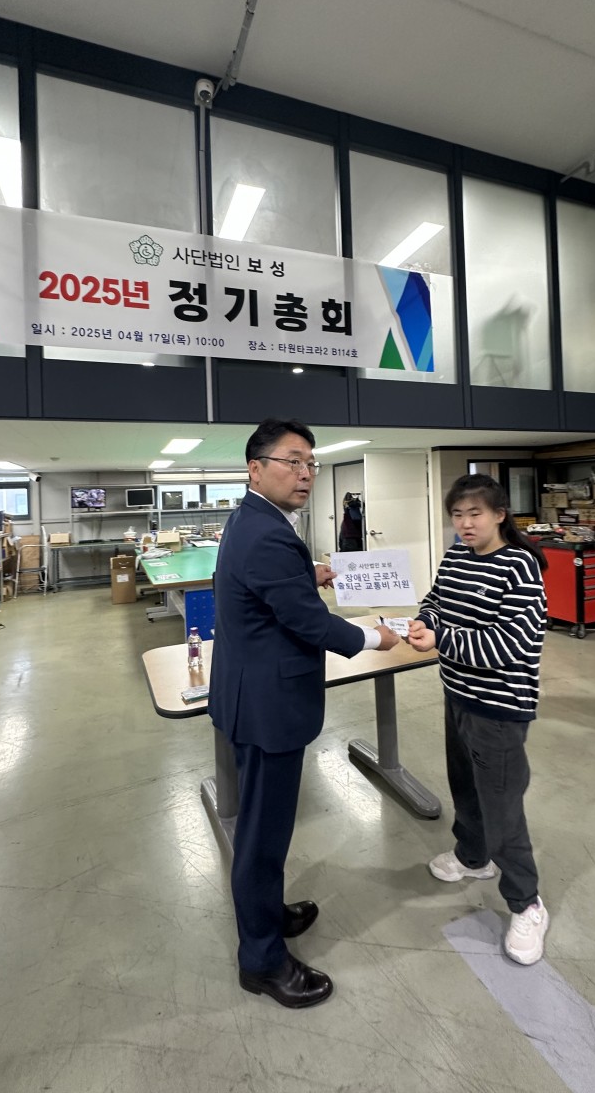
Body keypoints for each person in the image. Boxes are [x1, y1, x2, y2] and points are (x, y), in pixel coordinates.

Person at [208, 418, 399, 1008]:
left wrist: (304, 575)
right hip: (268, 707)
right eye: (292, 461)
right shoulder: (267, 533)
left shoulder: (252, 520)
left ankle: (268, 914)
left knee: (267, 827)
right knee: (263, 836)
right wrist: (374, 637)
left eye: (310, 463)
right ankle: (262, 961)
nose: (306, 473)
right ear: (255, 467)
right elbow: (306, 621)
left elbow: (267, 592)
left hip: (251, 695)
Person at [407, 474, 550, 965]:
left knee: (502, 808)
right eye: (458, 515)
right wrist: (425, 620)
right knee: (465, 785)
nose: (465, 524)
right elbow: (436, 599)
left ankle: (526, 903)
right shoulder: (457, 556)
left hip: (499, 707)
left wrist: (441, 639)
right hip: (458, 694)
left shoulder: (520, 566)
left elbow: (511, 644)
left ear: (499, 515)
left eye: (475, 514)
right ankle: (472, 857)